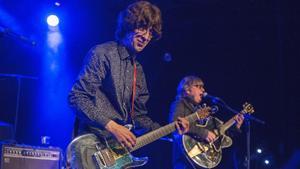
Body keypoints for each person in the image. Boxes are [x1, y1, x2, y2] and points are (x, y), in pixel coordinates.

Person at [67, 1, 189, 169]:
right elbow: (77, 97)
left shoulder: (138, 71)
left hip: (117, 154)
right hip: (92, 148)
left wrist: (171, 130)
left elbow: (139, 119)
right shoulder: (103, 53)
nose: (146, 37)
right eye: (142, 27)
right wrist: (113, 126)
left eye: (151, 32)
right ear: (129, 24)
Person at [169, 75, 244, 169]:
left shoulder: (200, 110)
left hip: (201, 159)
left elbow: (218, 134)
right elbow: (175, 125)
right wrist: (203, 133)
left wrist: (236, 126)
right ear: (187, 90)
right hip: (185, 160)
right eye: (199, 87)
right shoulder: (180, 103)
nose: (203, 90)